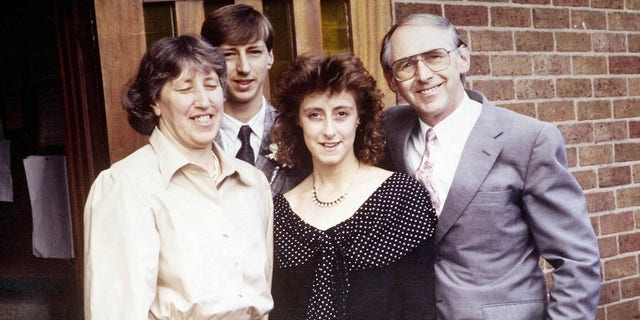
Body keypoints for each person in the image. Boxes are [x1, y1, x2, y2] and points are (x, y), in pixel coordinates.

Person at [379, 13, 601, 320]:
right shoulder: (389, 131)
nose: (423, 74)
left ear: (463, 59)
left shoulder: (528, 140)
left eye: (435, 57)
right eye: (406, 65)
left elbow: (577, 261)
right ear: (392, 80)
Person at [83, 35, 273, 319]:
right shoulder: (126, 186)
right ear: (155, 103)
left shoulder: (252, 182)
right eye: (186, 88)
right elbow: (116, 311)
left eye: (212, 86)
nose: (204, 101)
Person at [268, 52, 438, 320]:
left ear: (359, 117)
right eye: (314, 115)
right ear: (298, 120)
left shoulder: (402, 197)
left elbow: (421, 308)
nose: (329, 130)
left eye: (341, 114)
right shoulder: (279, 214)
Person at [201, 4, 308, 194]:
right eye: (229, 54)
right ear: (210, 61)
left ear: (270, 57)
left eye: (254, 52)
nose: (244, 67)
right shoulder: (196, 135)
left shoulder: (298, 131)